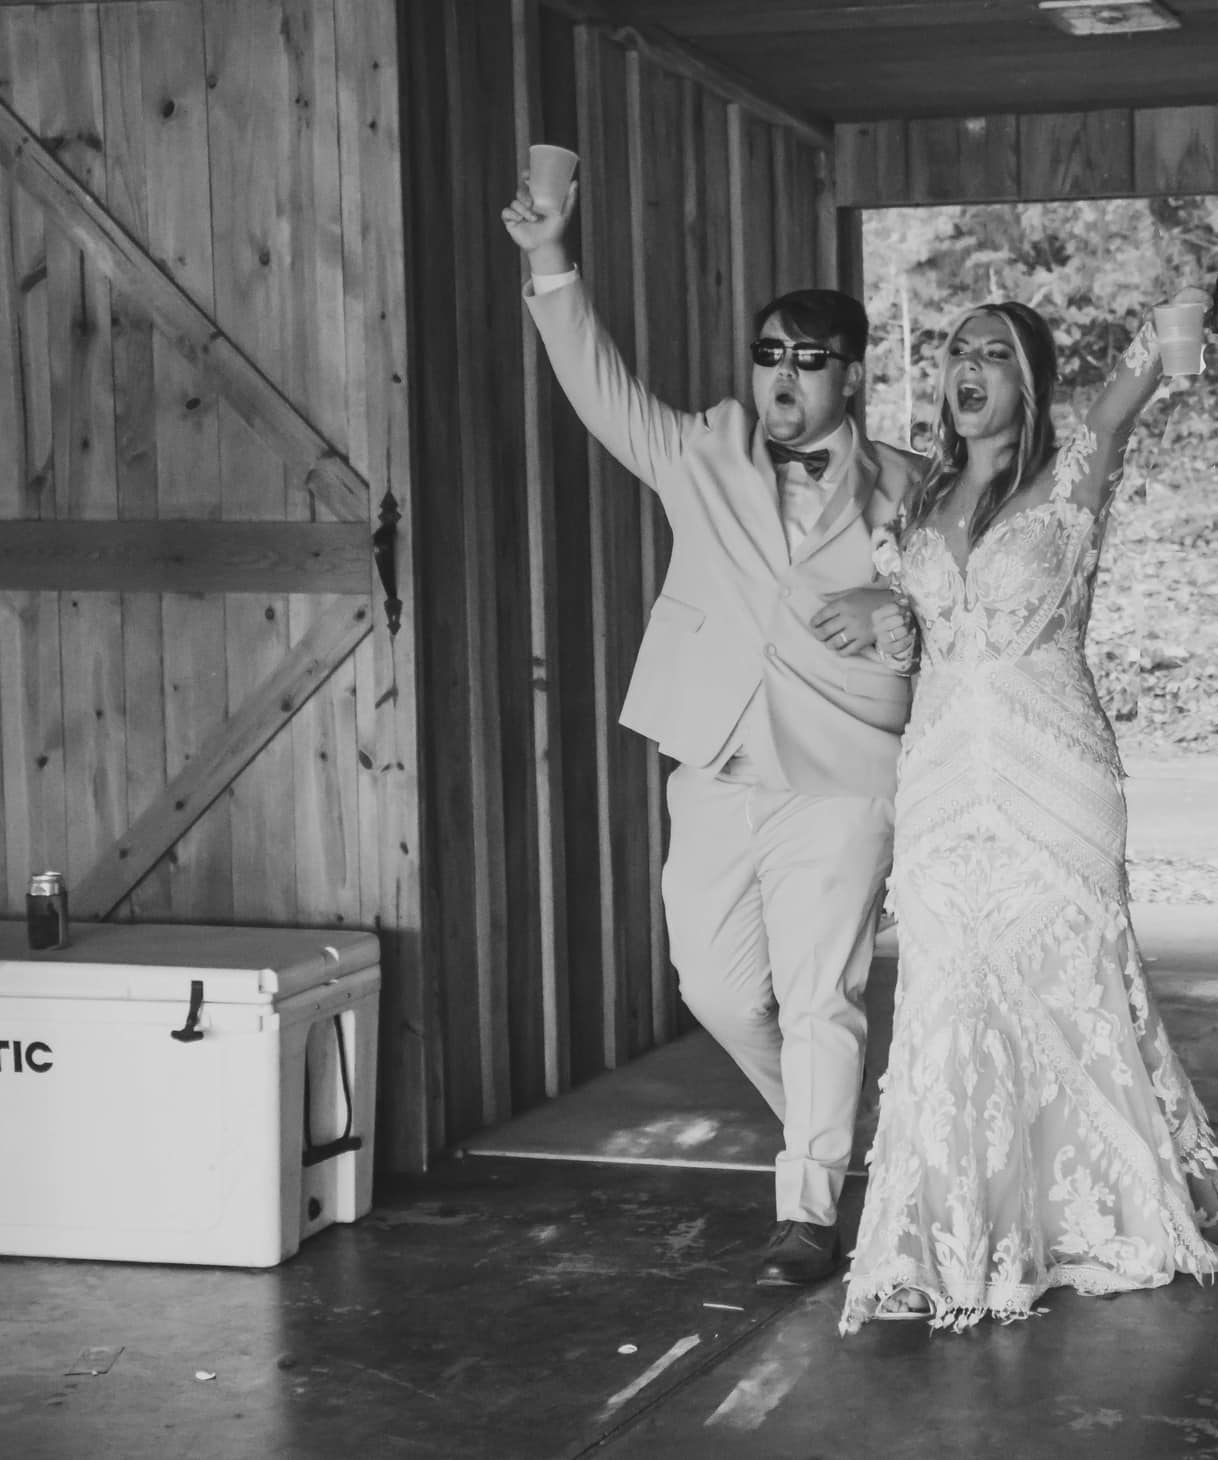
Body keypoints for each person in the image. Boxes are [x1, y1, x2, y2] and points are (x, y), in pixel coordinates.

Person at [840, 293, 1218, 1334]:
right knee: (946, 996)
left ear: (1029, 381)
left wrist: (1184, 315)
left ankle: (1084, 1216)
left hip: (1054, 773)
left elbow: (1131, 387)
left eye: (995, 354)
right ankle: (948, 1235)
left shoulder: (1073, 475)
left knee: (1065, 985)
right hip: (938, 779)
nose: (969, 368)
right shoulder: (917, 498)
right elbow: (909, 619)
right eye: (957, 353)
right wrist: (887, 618)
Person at [501, 175, 918, 1288]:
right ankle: (849, 1146)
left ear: (852, 375)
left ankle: (808, 1210)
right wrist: (549, 260)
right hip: (714, 765)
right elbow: (597, 386)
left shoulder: (909, 491)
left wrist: (896, 605)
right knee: (716, 990)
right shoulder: (704, 450)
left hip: (839, 775)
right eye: (769, 353)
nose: (782, 375)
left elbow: (971, 608)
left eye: (809, 359)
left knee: (822, 995)